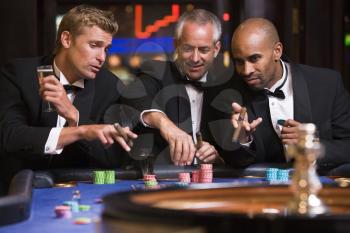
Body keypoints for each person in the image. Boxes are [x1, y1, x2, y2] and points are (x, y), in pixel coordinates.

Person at [0, 5, 137, 188]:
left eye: (106, 49)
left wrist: (75, 117)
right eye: (94, 45)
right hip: (19, 189)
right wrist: (80, 132)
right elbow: (10, 137)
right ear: (66, 39)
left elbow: (111, 159)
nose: (102, 57)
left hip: (78, 193)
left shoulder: (110, 86)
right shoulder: (18, 74)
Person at [228, 18, 350, 170]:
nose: (246, 70)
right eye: (239, 61)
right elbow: (235, 163)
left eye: (254, 58)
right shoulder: (231, 95)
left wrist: (313, 145)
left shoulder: (327, 84)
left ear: (277, 51)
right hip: (264, 190)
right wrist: (243, 139)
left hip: (321, 186)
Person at [123, 9, 238, 166]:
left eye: (204, 50)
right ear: (176, 44)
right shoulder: (156, 71)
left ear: (216, 49)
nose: (195, 58)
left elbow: (233, 155)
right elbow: (132, 96)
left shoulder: (224, 90)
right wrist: (164, 123)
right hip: (158, 182)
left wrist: (216, 158)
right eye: (188, 48)